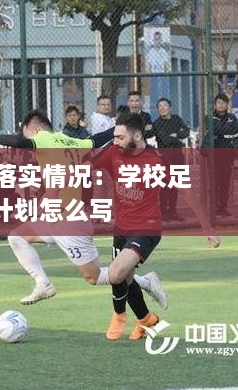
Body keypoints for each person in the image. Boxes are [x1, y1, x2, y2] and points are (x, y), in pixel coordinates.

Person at [0, 110, 168, 310]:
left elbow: (19, 142)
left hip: (69, 220)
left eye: (25, 133)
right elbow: (97, 139)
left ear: (34, 130)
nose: (27, 140)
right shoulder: (70, 141)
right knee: (17, 238)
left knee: (95, 276)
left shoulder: (44, 139)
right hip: (56, 215)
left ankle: (146, 282)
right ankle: (43, 283)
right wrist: (117, 128)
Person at [89, 113, 219, 340]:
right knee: (125, 278)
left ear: (137, 136)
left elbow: (185, 190)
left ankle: (119, 316)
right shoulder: (113, 151)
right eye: (114, 137)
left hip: (147, 228)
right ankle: (146, 319)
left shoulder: (157, 160)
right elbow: (86, 167)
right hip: (121, 227)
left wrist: (206, 227)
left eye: (120, 137)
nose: (115, 141)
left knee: (116, 273)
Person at [152, 98, 189, 222]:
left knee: (175, 185)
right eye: (160, 106)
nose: (162, 108)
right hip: (164, 157)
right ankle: (163, 212)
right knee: (164, 186)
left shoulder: (177, 119)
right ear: (157, 109)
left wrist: (176, 135)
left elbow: (186, 132)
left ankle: (173, 211)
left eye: (165, 105)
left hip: (178, 156)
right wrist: (176, 137)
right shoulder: (156, 123)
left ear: (170, 108)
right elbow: (165, 140)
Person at [211, 93, 238, 217]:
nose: (221, 105)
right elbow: (218, 130)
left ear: (227, 105)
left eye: (223, 103)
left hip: (228, 154)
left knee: (225, 183)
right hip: (214, 155)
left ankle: (223, 208)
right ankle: (214, 209)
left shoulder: (232, 117)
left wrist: (224, 132)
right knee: (215, 183)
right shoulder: (210, 117)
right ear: (215, 105)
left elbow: (235, 130)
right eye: (219, 102)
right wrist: (226, 131)